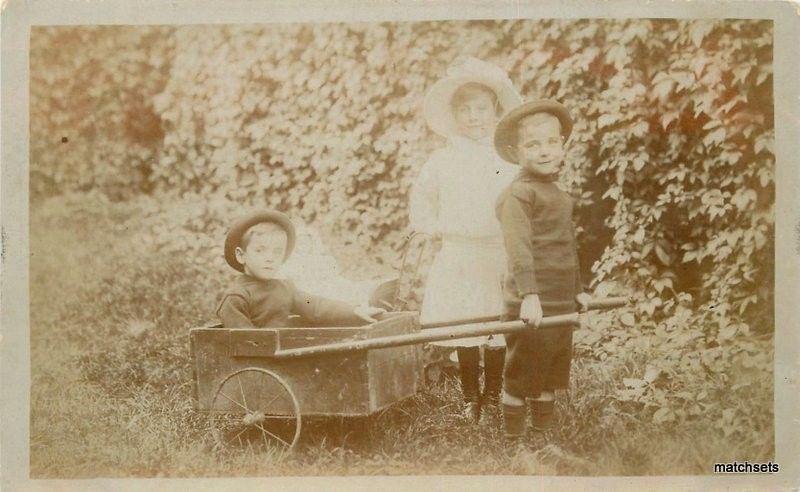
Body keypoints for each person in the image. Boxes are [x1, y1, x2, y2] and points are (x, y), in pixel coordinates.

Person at [409, 56, 522, 423]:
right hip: (459, 253)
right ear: (455, 115)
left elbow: (522, 199)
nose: (474, 117)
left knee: (496, 327)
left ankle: (493, 395)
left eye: (481, 109)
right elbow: (422, 196)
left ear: (495, 111)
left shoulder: (508, 158)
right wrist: (430, 225)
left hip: (496, 252)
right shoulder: (443, 160)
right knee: (466, 326)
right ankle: (470, 397)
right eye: (465, 110)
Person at [493, 99, 591, 442]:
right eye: (533, 144)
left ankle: (540, 441)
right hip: (530, 303)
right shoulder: (518, 195)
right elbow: (519, 250)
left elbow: (568, 247)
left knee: (550, 374)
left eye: (552, 142)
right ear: (516, 151)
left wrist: (577, 289)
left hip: (560, 300)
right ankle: (514, 445)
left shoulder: (560, 195)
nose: (544, 151)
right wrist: (529, 296)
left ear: (562, 144)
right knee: (521, 377)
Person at [217, 210, 384, 328]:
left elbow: (316, 306)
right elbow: (243, 340)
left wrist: (354, 311)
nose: (269, 258)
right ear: (241, 255)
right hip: (258, 363)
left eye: (277, 252)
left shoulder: (285, 289)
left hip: (285, 355)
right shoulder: (237, 297)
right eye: (260, 250)